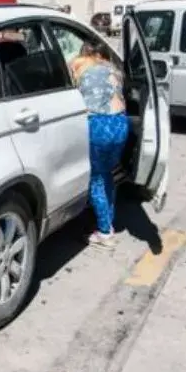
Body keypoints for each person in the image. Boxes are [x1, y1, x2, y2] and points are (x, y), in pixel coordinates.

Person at [73, 41, 128, 249]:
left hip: (98, 123)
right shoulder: (113, 69)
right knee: (107, 174)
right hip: (120, 123)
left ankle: (105, 233)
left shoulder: (80, 65)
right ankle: (107, 222)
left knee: (96, 177)